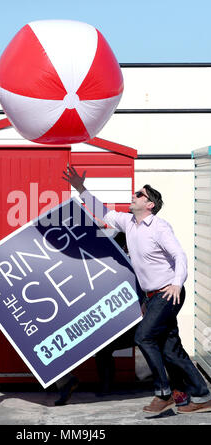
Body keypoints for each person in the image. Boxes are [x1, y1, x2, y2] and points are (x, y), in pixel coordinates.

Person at [63, 166, 211, 414]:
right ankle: (203, 394)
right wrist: (81, 189)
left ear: (150, 204)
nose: (133, 196)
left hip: (168, 292)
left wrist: (177, 282)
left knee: (143, 336)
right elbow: (103, 212)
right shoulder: (128, 223)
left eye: (139, 194)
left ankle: (163, 393)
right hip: (152, 297)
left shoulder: (159, 227)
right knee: (171, 349)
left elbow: (179, 255)